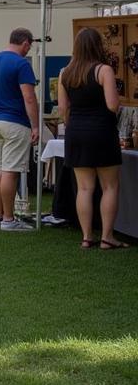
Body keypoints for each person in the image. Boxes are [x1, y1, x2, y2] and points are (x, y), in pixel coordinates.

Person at [59, 27, 128, 249]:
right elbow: (112, 105)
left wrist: (73, 125)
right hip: (101, 131)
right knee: (109, 186)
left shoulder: (65, 72)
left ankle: (87, 237)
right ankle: (107, 237)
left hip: (76, 132)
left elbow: (62, 109)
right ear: (98, 45)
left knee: (85, 188)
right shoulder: (103, 70)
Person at [0, 28, 39, 232]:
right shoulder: (22, 64)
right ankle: (8, 219)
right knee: (11, 171)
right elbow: (29, 97)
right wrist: (35, 125)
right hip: (14, 121)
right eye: (29, 46)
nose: (28, 50)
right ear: (25, 43)